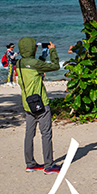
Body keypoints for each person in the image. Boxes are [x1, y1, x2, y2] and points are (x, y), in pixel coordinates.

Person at [17, 37, 61, 173]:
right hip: (41, 103)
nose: (35, 48)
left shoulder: (19, 63)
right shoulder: (35, 64)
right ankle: (49, 165)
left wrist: (43, 56)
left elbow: (35, 68)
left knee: (29, 134)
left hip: (27, 104)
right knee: (46, 134)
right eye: (34, 47)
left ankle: (30, 164)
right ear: (30, 48)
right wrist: (53, 51)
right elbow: (55, 66)